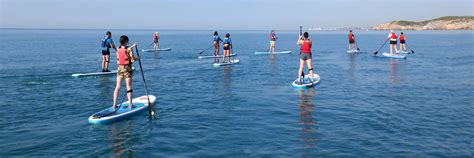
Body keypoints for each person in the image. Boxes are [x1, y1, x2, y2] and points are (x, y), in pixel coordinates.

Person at [113, 35, 139, 110]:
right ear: (126, 41)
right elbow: (133, 59)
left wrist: (133, 46)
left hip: (120, 69)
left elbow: (123, 52)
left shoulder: (118, 49)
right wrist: (138, 58)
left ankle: (114, 104)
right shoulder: (129, 49)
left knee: (117, 87)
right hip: (127, 69)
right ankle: (130, 105)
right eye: (127, 41)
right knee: (128, 86)